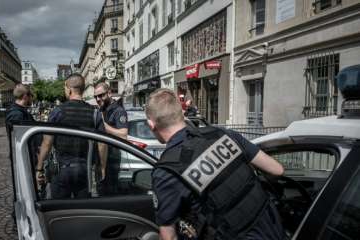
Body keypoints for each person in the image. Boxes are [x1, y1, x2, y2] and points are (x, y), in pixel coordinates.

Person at [145, 89, 285, 240]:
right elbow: (277, 170)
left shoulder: (167, 171)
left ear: (151, 124)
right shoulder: (222, 134)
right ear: (182, 114)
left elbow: (169, 237)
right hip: (271, 226)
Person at [36, 73, 97, 199]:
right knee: (84, 211)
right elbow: (102, 144)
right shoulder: (94, 112)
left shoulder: (58, 111)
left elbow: (47, 143)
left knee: (60, 210)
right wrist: (102, 168)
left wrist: (40, 168)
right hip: (85, 171)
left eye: (64, 88)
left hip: (62, 170)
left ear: (69, 89)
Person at [94, 82, 128, 195]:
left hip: (111, 161)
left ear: (109, 93)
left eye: (101, 95)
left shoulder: (118, 111)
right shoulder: (101, 110)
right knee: (100, 191)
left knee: (109, 193)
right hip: (100, 159)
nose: (98, 99)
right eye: (96, 96)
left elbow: (123, 134)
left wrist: (103, 125)